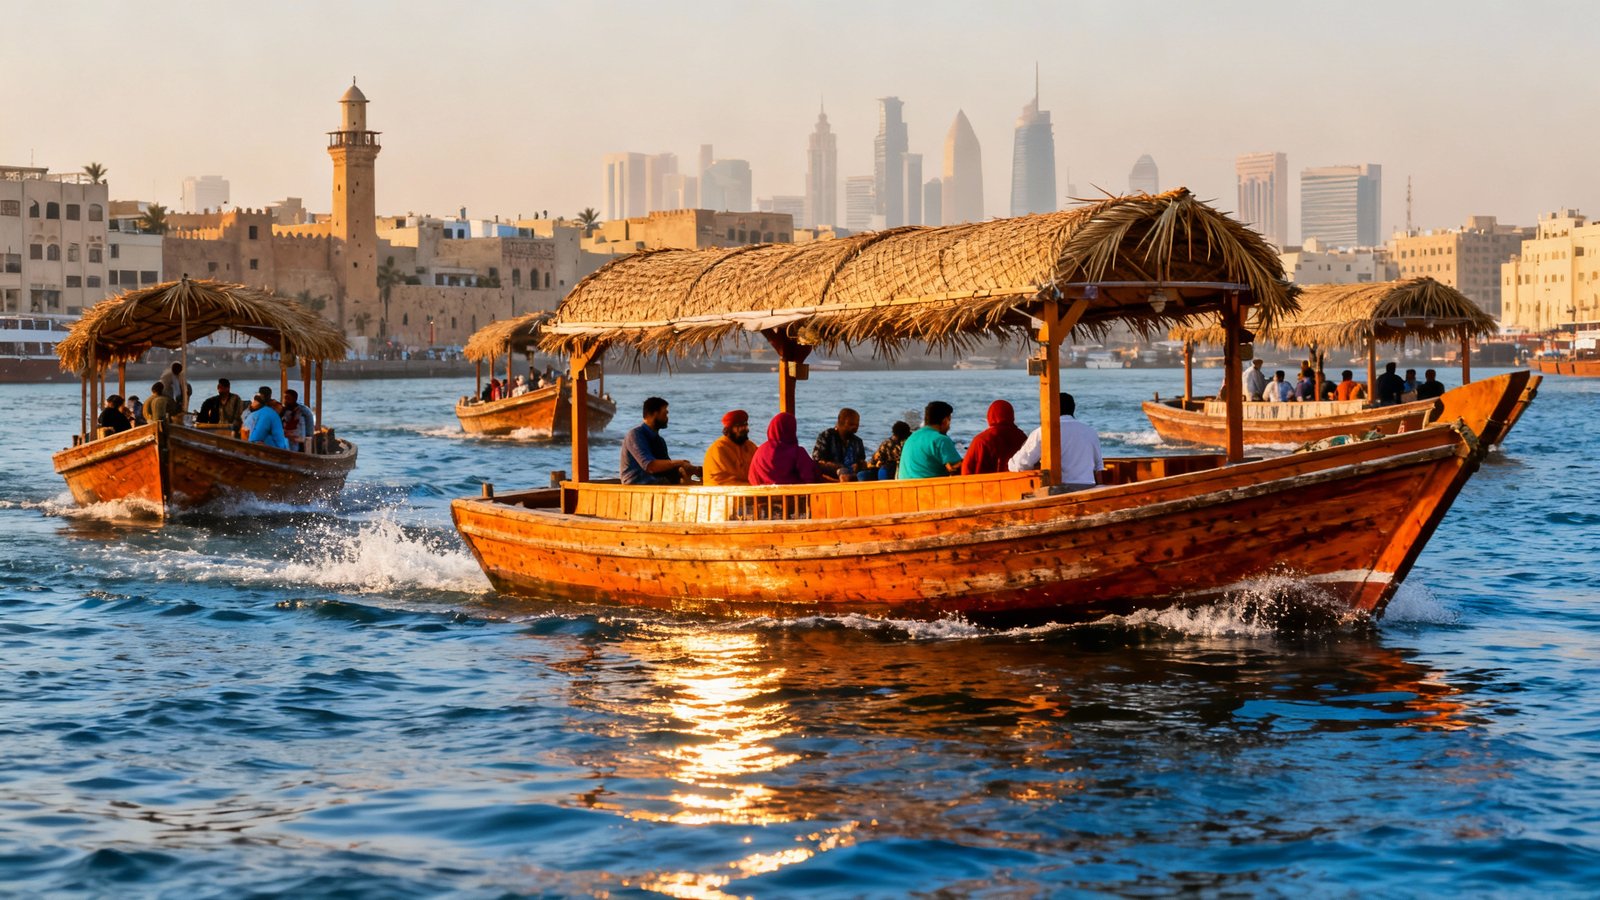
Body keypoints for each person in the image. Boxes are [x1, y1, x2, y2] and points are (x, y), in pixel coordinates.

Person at [1008, 392, 1104, 488]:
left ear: (1050, 408)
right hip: (1089, 488)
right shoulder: (1090, 431)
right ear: (1073, 408)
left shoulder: (1043, 432)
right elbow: (1099, 467)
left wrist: (1010, 464)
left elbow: (1022, 464)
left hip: (1059, 491)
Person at [621, 396, 698, 485]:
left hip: (657, 485)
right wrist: (680, 462)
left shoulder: (659, 441)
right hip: (635, 488)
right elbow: (650, 466)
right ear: (654, 414)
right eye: (665, 414)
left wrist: (691, 471)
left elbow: (668, 468)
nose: (667, 418)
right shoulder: (635, 435)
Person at [749, 412, 826, 485]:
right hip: (793, 497)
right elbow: (810, 478)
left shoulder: (760, 451)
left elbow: (752, 477)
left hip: (761, 497)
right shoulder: (797, 452)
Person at [898, 401, 963, 479]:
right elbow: (956, 468)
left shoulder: (912, 437)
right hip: (928, 488)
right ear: (945, 421)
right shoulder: (940, 439)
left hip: (904, 488)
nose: (949, 427)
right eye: (949, 421)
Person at [961, 399, 1028, 475]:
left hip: (985, 484)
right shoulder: (1022, 437)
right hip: (1017, 482)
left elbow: (967, 469)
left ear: (990, 416)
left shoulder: (982, 440)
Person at [702, 409, 760, 486]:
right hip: (720, 492)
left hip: (747, 489)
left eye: (745, 426)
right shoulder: (718, 448)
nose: (743, 429)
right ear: (729, 429)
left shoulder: (751, 446)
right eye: (738, 427)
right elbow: (722, 480)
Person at [812, 407, 869, 482]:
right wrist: (840, 468)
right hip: (831, 478)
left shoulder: (857, 441)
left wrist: (859, 466)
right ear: (840, 423)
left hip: (853, 477)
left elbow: (861, 461)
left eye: (857, 425)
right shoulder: (826, 436)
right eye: (851, 424)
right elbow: (818, 462)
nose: (855, 428)